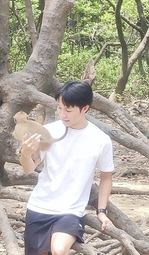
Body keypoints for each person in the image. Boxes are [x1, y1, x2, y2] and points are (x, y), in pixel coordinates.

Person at [20, 81, 114, 255]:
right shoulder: (48, 132)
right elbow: (28, 169)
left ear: (85, 108)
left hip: (70, 210)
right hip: (39, 207)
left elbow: (106, 177)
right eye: (59, 108)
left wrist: (101, 211)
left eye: (68, 110)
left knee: (59, 249)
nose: (62, 114)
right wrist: (25, 154)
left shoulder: (100, 140)